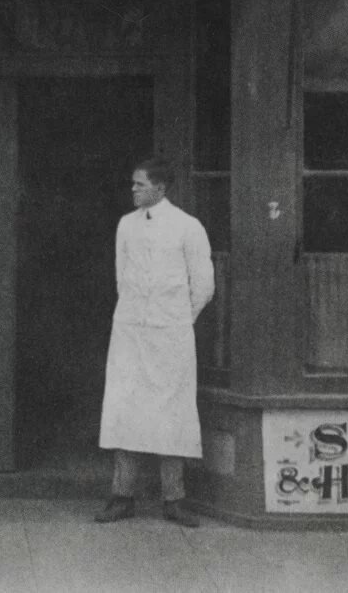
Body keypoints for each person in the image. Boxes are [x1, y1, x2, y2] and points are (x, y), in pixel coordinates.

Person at [95, 158, 215, 526]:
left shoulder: (187, 227)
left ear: (160, 189)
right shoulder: (125, 226)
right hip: (131, 331)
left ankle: (173, 499)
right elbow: (122, 277)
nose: (133, 190)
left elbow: (204, 286)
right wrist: (137, 316)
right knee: (125, 408)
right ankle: (122, 496)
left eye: (139, 184)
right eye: (132, 184)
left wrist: (177, 320)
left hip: (171, 334)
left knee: (171, 413)